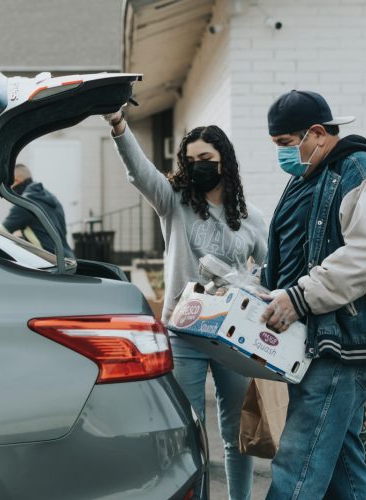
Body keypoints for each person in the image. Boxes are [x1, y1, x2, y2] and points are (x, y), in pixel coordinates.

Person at [103, 110, 267, 500]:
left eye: (206, 160)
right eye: (191, 161)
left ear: (224, 160)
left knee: (236, 435)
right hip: (184, 332)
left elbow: (268, 268)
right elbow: (141, 172)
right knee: (187, 433)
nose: (199, 168)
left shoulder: (250, 217)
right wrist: (119, 128)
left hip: (233, 338)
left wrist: (258, 288)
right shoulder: (173, 201)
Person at [259, 90, 366, 499]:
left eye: (285, 145)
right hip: (324, 336)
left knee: (298, 461)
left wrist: (298, 298)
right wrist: (266, 284)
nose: (282, 156)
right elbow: (301, 249)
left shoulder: (361, 171)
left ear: (316, 133)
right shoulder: (308, 177)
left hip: (345, 339)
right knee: (342, 461)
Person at [0, 164, 74, 258]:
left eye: (9, 185)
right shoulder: (51, 198)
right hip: (68, 259)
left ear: (16, 181)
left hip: (51, 265)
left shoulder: (25, 203)